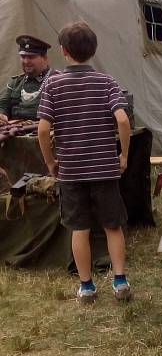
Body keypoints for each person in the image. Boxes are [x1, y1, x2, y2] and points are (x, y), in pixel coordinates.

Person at [37, 21, 132, 303]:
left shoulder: (52, 84)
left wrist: (51, 161)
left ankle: (87, 286)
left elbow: (43, 130)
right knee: (112, 226)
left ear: (64, 51)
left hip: (71, 169)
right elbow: (123, 120)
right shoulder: (106, 82)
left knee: (80, 228)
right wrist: (123, 154)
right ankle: (120, 280)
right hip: (105, 167)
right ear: (94, 50)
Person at [0, 35, 53, 123]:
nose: (26, 61)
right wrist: (2, 115)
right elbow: (2, 105)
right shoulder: (15, 83)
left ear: (45, 58)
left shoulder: (57, 82)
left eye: (31, 57)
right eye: (23, 57)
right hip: (13, 134)